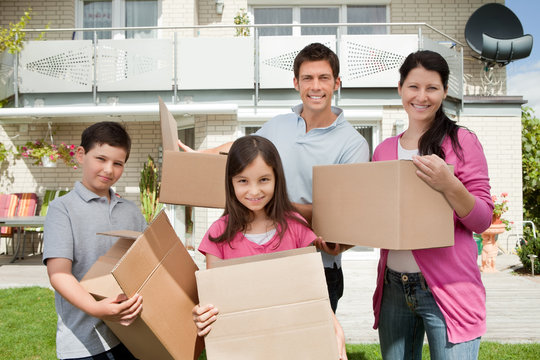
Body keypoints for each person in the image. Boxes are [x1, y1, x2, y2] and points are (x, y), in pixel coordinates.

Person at [179, 42, 370, 312]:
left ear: (337, 83)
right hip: (259, 257)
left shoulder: (353, 144)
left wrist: (276, 203)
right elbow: (243, 149)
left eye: (324, 78)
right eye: (307, 78)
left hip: (315, 264)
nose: (315, 86)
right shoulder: (279, 124)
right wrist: (199, 155)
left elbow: (344, 218)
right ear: (296, 82)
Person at [371, 50, 494, 359]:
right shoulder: (384, 150)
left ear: (445, 91)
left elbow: (481, 221)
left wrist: (449, 185)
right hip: (393, 289)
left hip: (451, 288)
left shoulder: (462, 142)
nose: (421, 96)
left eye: (432, 88)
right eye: (413, 86)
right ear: (400, 89)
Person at [192, 135, 347, 359]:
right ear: (231, 182)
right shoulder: (218, 234)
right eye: (243, 181)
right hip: (243, 346)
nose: (254, 191)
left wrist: (335, 327)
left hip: (293, 343)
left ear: (277, 179)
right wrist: (201, 313)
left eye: (263, 179)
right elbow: (214, 301)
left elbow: (313, 292)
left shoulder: (296, 228)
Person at [43, 122, 147, 360]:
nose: (109, 169)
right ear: (81, 155)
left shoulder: (130, 210)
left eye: (118, 163)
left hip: (131, 333)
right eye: (101, 158)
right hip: (83, 341)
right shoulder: (63, 209)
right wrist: (96, 308)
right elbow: (59, 274)